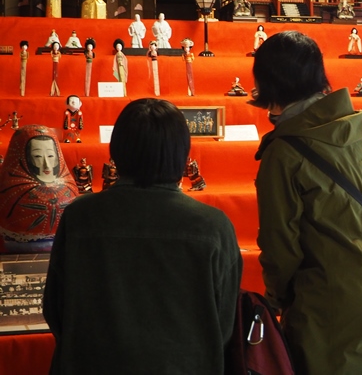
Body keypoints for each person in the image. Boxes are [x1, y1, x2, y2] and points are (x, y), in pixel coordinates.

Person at [251, 31, 362, 375]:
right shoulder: (347, 127)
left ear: (268, 82)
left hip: (334, 300)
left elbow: (280, 245)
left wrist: (277, 301)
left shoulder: (284, 152)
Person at [43, 98, 242, 374]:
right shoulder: (213, 226)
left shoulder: (80, 217)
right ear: (182, 153)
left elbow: (55, 309)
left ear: (117, 150)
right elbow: (224, 323)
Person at [0, 125, 78, 253]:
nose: (46, 165)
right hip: (16, 249)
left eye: (51, 156)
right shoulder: (11, 189)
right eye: (37, 156)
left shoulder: (68, 186)